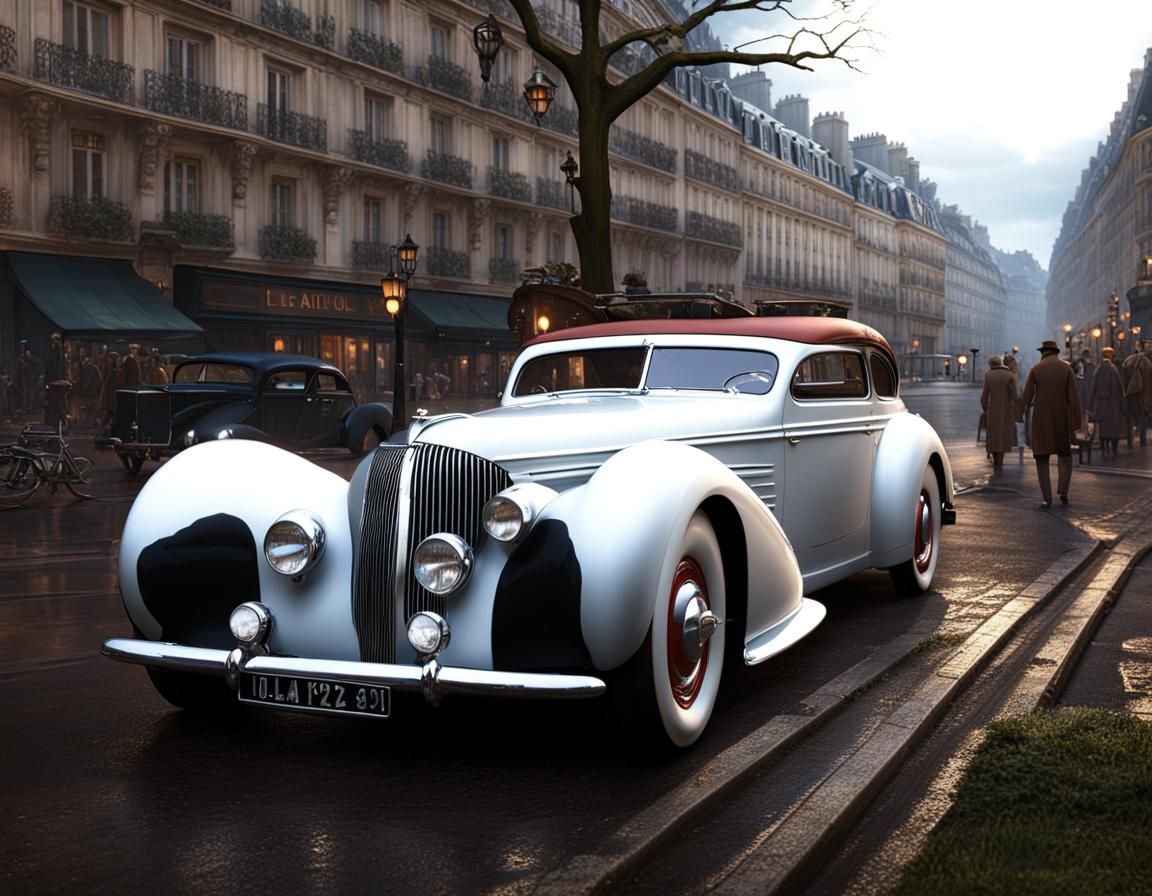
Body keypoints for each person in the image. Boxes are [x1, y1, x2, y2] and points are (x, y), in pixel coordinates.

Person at [1020, 340, 1082, 509]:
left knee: (1041, 458)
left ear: (1043, 352)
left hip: (1041, 420)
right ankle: (1063, 491)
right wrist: (1077, 422)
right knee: (1065, 455)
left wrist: (1019, 414)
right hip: (1062, 418)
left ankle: (1046, 498)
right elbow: (1074, 399)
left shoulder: (1036, 369)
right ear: (1056, 352)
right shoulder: (1066, 369)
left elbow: (1026, 397)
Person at [1088, 346, 1127, 458]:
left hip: (1102, 406)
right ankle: (1113, 449)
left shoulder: (1099, 369)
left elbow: (1093, 388)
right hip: (1114, 406)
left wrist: (1089, 407)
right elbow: (1121, 389)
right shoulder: (1114, 369)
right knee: (1114, 429)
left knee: (1103, 429)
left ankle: (1105, 448)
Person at [980, 355, 1017, 468]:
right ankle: (1000, 460)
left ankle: (996, 459)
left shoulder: (989, 375)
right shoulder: (1009, 375)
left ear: (991, 364)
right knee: (1003, 434)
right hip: (1006, 409)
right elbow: (1014, 395)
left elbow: (984, 396)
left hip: (993, 409)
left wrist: (985, 408)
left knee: (993, 434)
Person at [1121, 339, 1152, 447]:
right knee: (1142, 417)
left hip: (1129, 393)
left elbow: (1123, 379)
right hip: (1142, 394)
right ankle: (1142, 442)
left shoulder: (1127, 360)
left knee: (1130, 417)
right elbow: (1148, 381)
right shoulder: (1146, 362)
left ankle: (1130, 441)